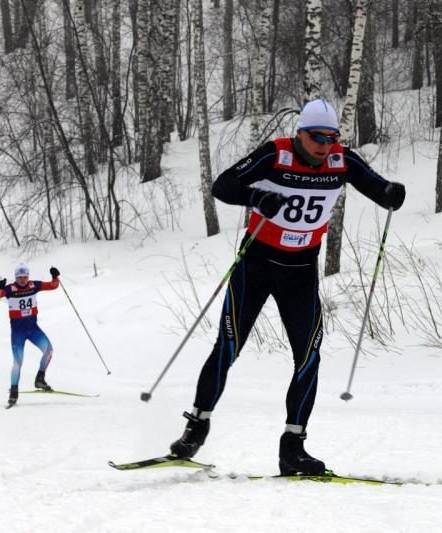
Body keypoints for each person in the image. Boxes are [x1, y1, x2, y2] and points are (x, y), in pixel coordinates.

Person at [169, 99, 406, 475]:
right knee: (228, 348)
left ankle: (293, 448)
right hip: (256, 266)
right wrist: (257, 196)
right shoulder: (274, 155)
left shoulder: (342, 161)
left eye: (332, 137)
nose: (325, 144)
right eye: (317, 136)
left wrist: (391, 193)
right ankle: (195, 428)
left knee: (309, 356)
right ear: (301, 134)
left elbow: (377, 187)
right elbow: (223, 186)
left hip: (301, 272)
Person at [0, 264, 61, 406]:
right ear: (16, 277)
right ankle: (13, 392)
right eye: (19, 277)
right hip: (18, 332)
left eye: (25, 277)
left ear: (28, 277)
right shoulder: (9, 289)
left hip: (33, 329)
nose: (22, 280)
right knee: (18, 362)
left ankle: (40, 379)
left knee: (49, 351)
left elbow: (53, 286)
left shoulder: (34, 285)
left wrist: (55, 276)